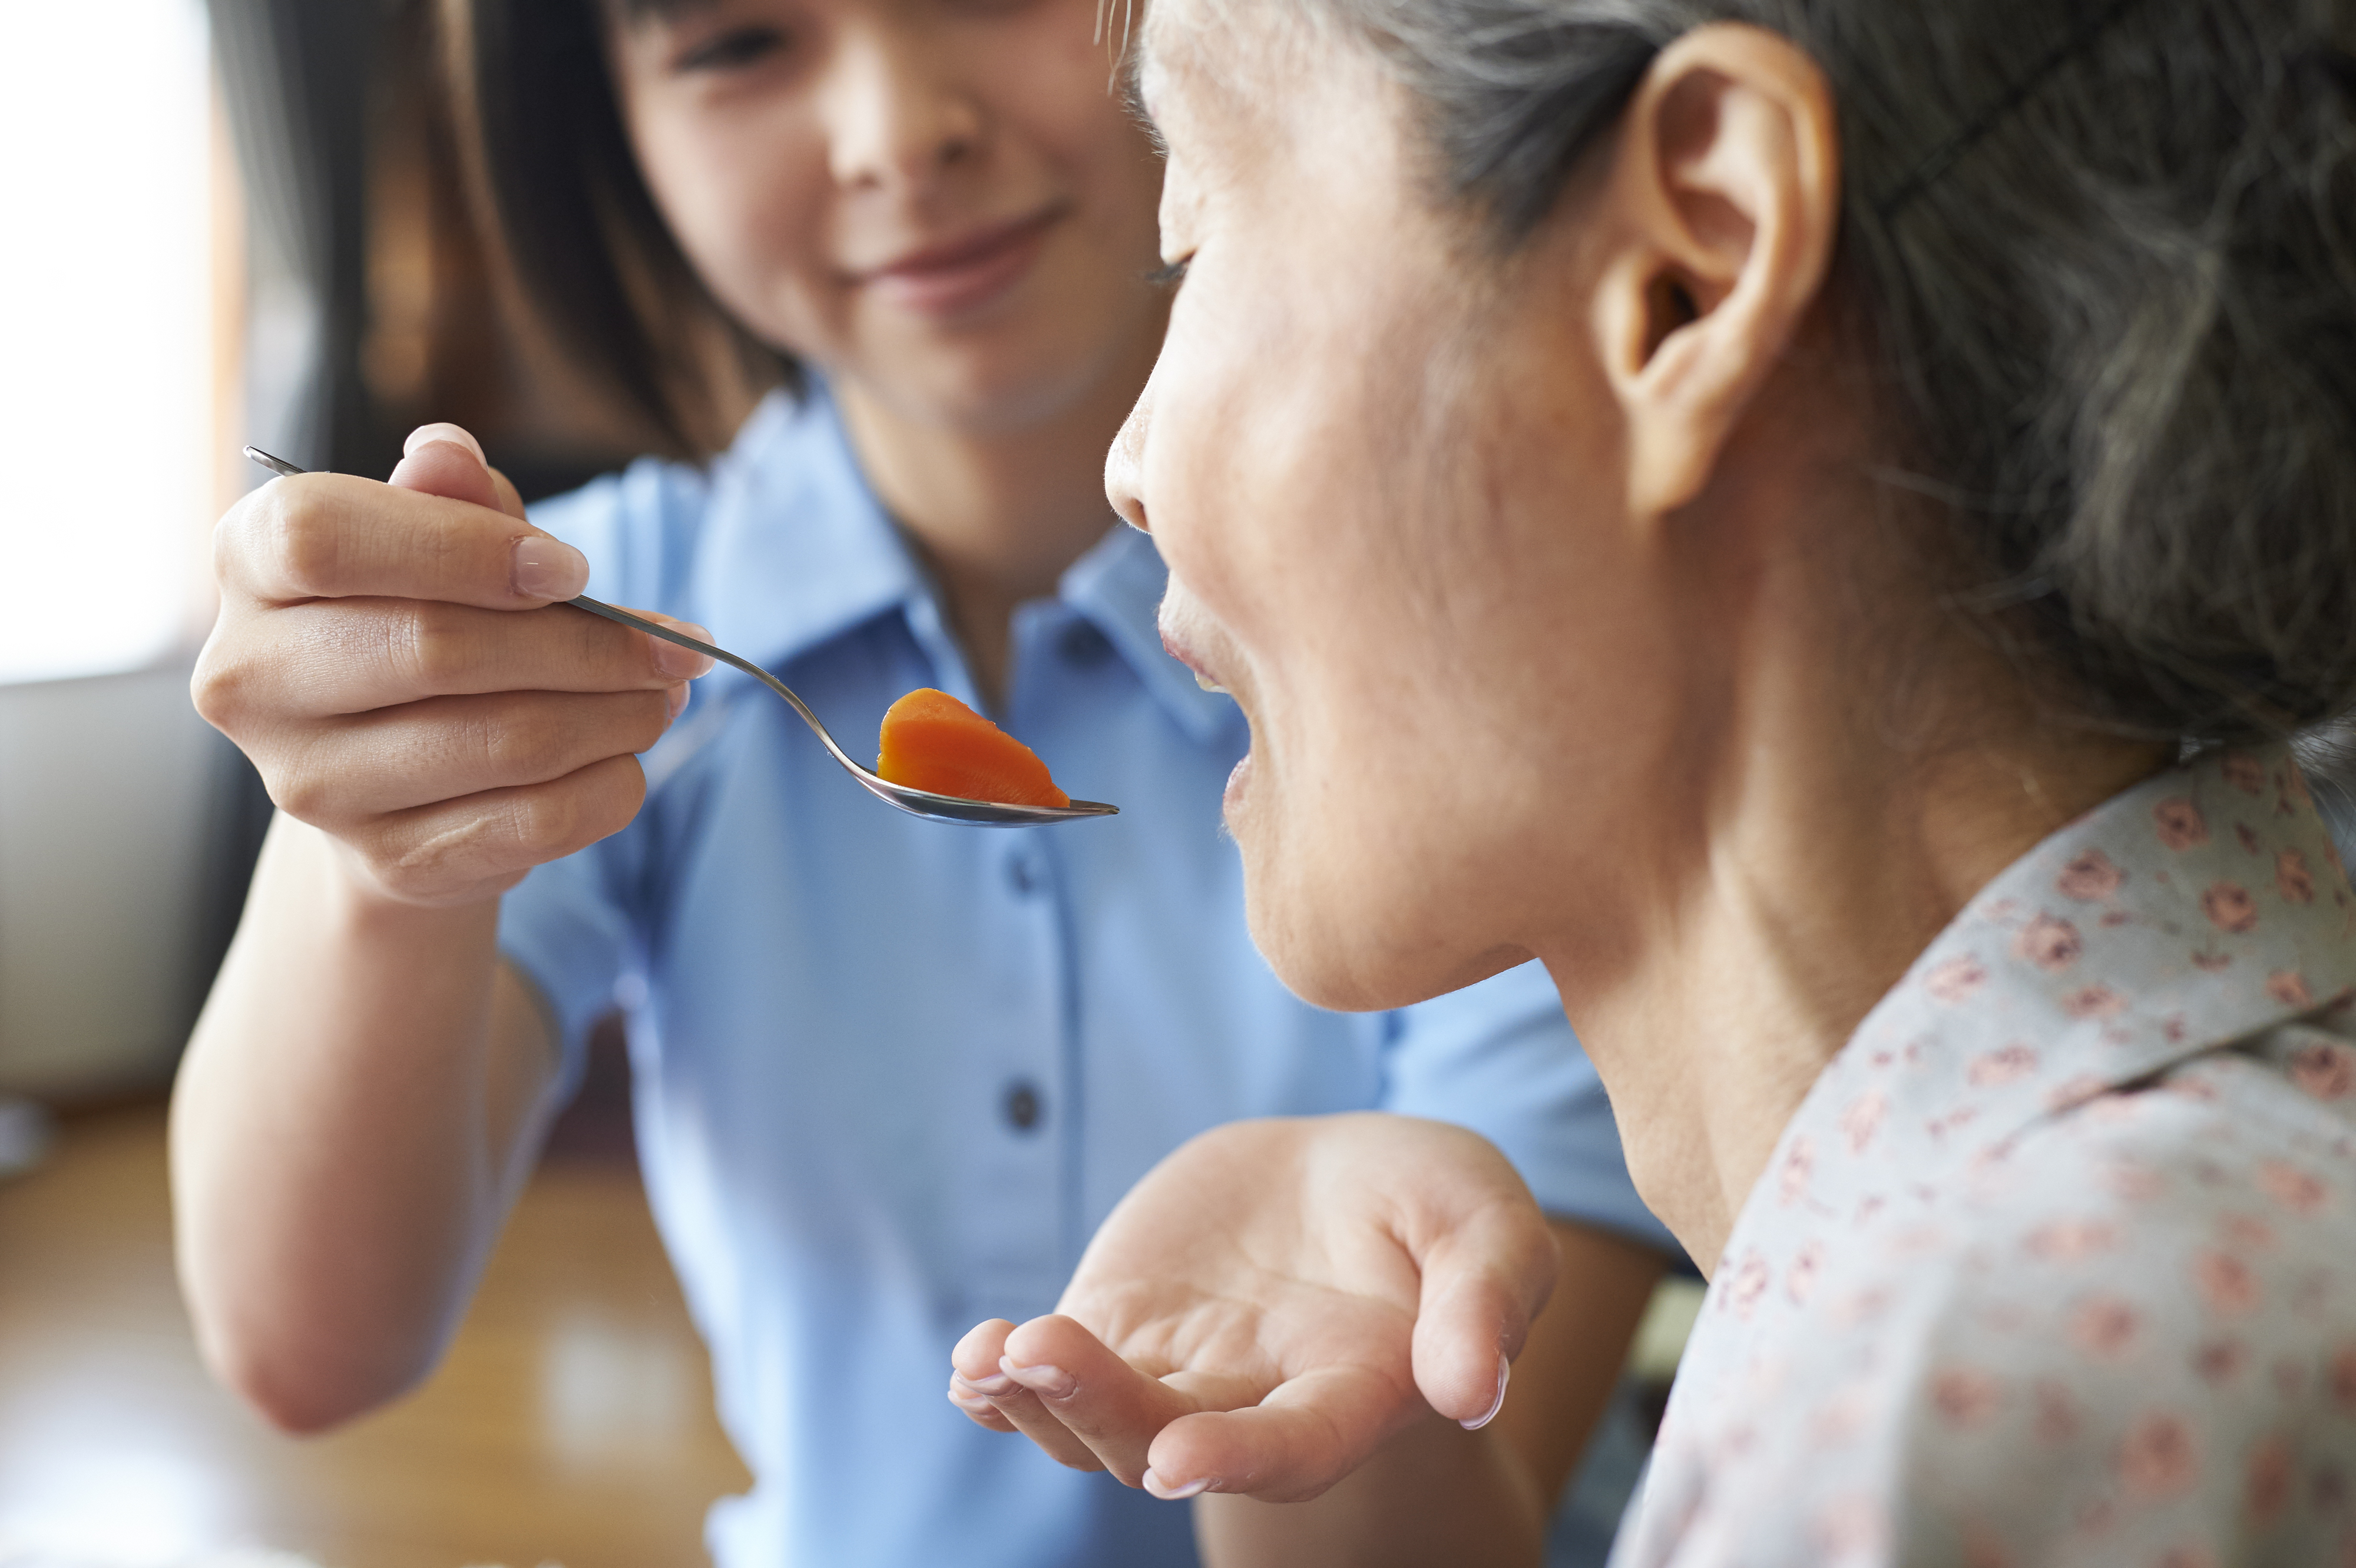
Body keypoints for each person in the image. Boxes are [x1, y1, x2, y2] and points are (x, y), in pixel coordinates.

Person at [170, 1, 1677, 1564]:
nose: (898, 134)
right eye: (738, 43)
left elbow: (1467, 1517)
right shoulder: (595, 628)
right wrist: (376, 841)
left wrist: (1315, 1388)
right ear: (608, 128)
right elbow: (310, 1346)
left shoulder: (1495, 621)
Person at [951, 0, 2356, 1561]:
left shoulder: (1988, 1398)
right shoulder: (2058, 1284)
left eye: (1194, 242)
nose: (1126, 468)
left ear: (1686, 280)